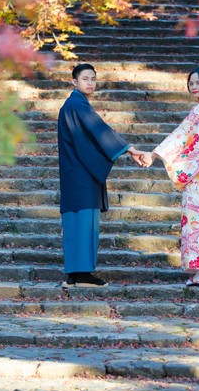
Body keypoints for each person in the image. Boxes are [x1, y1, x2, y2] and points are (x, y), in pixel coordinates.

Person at [58, 63, 145, 287]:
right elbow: (99, 129)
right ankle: (82, 274)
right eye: (85, 78)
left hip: (75, 172)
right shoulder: (77, 104)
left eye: (93, 79)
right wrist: (129, 149)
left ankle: (75, 274)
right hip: (81, 173)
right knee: (85, 221)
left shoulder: (74, 105)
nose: (90, 82)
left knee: (77, 221)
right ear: (74, 82)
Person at [141, 66, 199, 287]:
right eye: (191, 83)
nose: (193, 87)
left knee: (197, 220)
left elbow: (181, 135)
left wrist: (155, 154)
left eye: (198, 83)